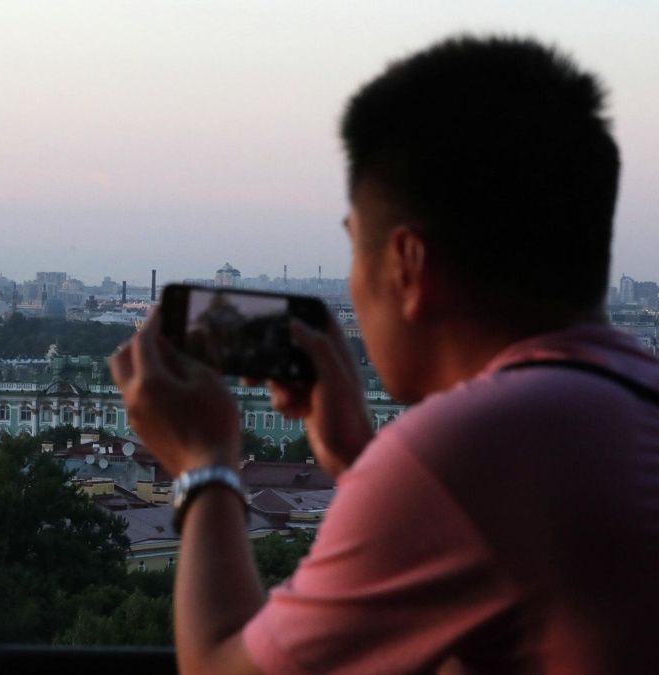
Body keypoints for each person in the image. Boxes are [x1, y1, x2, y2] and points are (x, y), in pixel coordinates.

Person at [112, 35, 658, 673]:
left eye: (355, 248)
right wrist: (360, 460)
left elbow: (220, 669)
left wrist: (205, 465)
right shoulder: (625, 398)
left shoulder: (467, 450)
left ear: (408, 263)